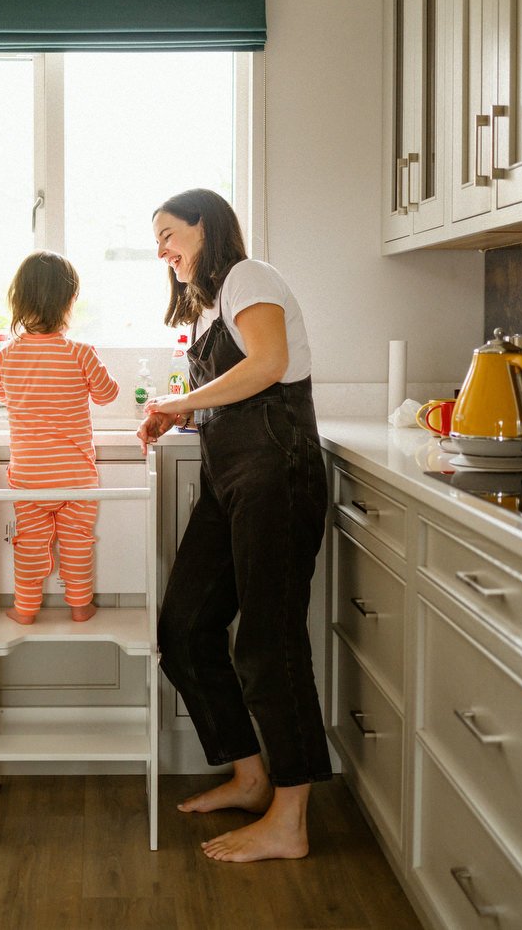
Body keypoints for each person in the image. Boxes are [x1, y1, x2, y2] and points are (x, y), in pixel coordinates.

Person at [136, 188, 330, 863]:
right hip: (232, 480)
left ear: (204, 225)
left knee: (269, 641)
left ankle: (291, 818)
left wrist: (178, 399)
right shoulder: (213, 307)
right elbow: (235, 388)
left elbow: (270, 366)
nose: (161, 250)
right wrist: (179, 413)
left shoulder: (250, 276)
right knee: (185, 629)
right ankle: (251, 777)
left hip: (278, 473)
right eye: (156, 241)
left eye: (168, 234)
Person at [0, 251, 120, 625]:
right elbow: (107, 395)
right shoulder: (81, 354)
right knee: (78, 540)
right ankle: (80, 608)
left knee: (29, 543)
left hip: (30, 475)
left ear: (19, 301)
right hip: (76, 475)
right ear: (69, 302)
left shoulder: (6, 357)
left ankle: (25, 610)